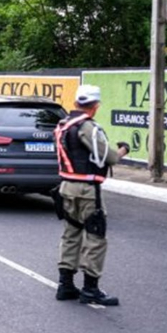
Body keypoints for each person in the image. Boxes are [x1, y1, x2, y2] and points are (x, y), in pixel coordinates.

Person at [53, 85, 130, 306]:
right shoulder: (86, 127)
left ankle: (65, 285)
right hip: (87, 189)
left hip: (66, 187)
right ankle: (90, 289)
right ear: (95, 106)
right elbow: (110, 157)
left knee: (71, 234)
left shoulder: (62, 125)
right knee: (96, 237)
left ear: (76, 103)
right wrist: (123, 150)